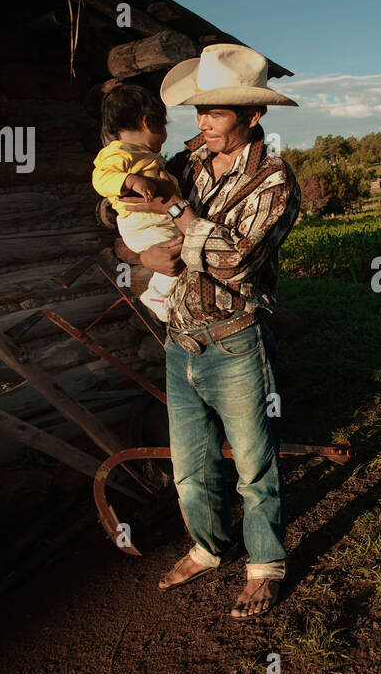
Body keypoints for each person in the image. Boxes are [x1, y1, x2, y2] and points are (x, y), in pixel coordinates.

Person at [124, 43, 301, 618]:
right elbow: (126, 213)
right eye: (199, 110)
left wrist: (177, 211)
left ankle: (266, 566)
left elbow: (234, 260)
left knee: (254, 466)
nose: (202, 122)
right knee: (190, 469)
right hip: (181, 338)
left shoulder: (273, 180)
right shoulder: (187, 159)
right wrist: (136, 253)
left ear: (254, 116)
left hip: (234, 338)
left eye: (217, 112)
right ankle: (207, 547)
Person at [90, 85, 180, 321]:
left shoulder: (141, 153)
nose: (165, 136)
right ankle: (158, 295)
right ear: (149, 123)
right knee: (182, 254)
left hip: (154, 221)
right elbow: (100, 178)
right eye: (164, 127)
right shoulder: (118, 152)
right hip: (142, 223)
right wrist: (130, 180)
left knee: (181, 252)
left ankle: (161, 293)